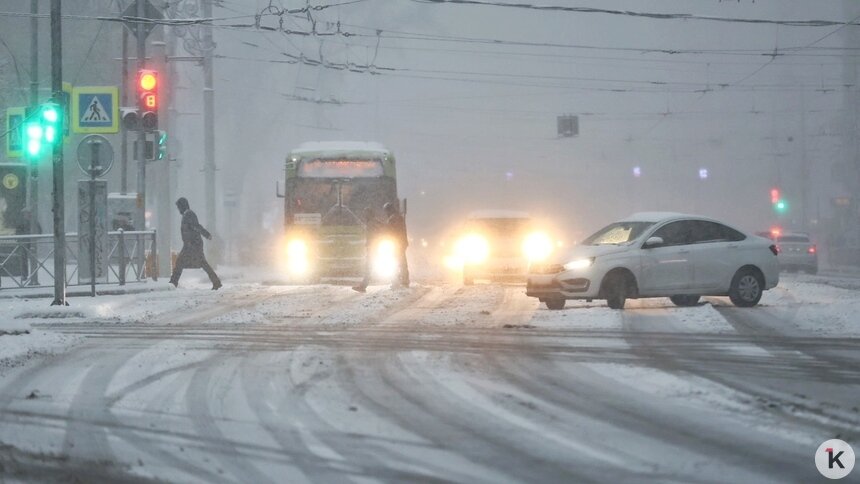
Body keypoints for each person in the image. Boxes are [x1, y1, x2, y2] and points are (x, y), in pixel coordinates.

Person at [169, 197, 222, 290]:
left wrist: (206, 234)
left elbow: (196, 226)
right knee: (202, 264)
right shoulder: (187, 215)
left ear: (183, 206)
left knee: (180, 262)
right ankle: (216, 282)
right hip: (190, 244)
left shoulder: (189, 214)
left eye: (179, 207)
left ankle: (173, 283)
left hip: (193, 244)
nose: (178, 210)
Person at [352, 206, 384, 293]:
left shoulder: (372, 223)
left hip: (373, 248)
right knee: (369, 267)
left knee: (369, 267)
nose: (364, 215)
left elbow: (374, 235)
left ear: (369, 214)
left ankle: (363, 286)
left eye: (366, 213)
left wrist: (371, 243)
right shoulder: (374, 222)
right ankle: (363, 285)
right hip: (374, 247)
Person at [384, 201, 409, 288]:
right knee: (402, 263)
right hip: (402, 242)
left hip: (396, 243)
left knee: (395, 263)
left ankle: (396, 281)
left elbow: (390, 231)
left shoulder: (392, 219)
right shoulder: (399, 217)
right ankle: (405, 280)